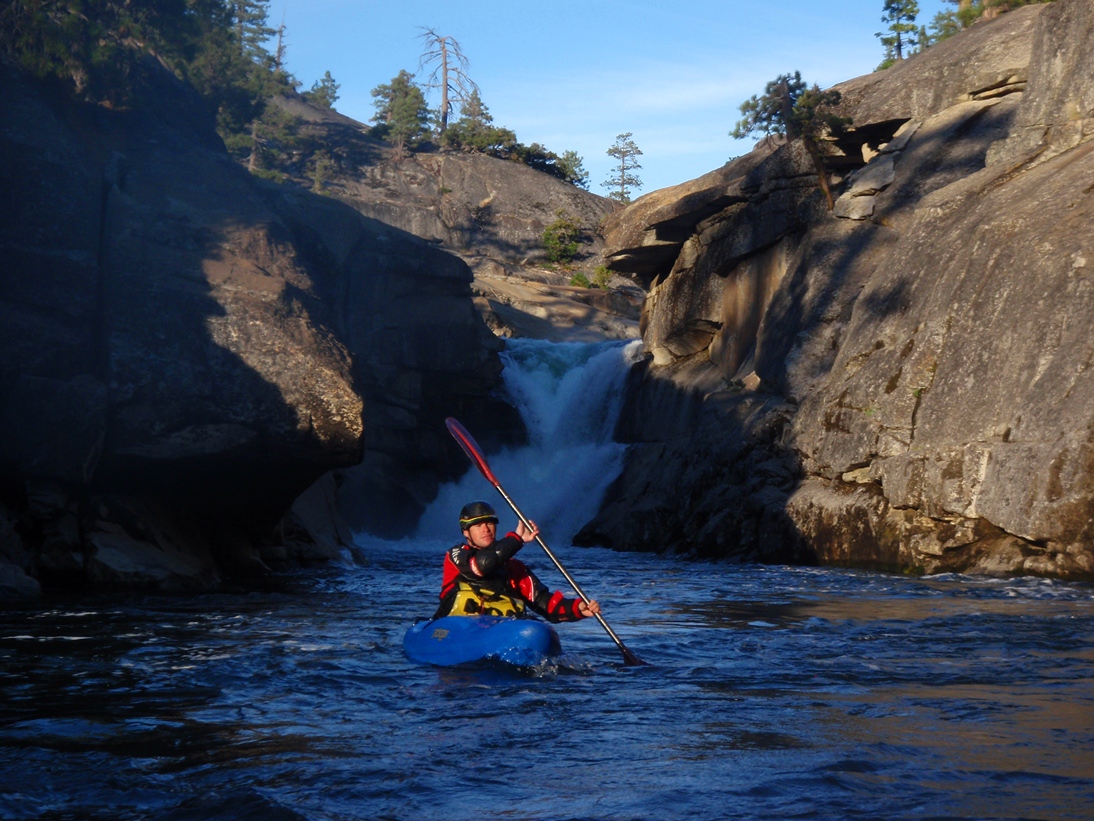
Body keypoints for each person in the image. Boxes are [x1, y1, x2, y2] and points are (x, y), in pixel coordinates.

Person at [433, 500, 601, 623]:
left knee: (535, 626)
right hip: (456, 627)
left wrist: (578, 608)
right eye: (478, 525)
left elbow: (545, 603)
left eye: (490, 523)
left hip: (498, 631)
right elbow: (482, 566)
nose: (486, 529)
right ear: (465, 532)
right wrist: (516, 539)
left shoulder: (513, 568)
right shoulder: (457, 555)